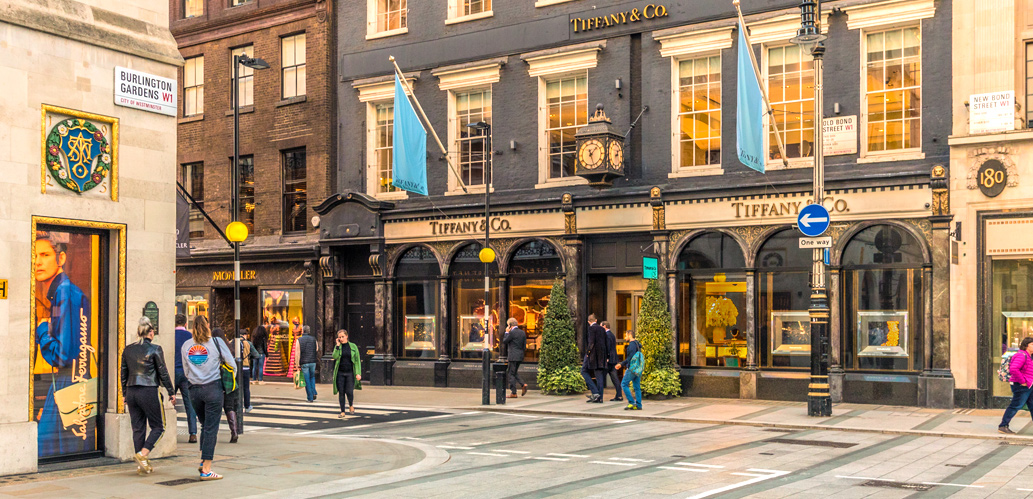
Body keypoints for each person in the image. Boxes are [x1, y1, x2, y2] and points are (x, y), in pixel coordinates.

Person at [33, 233, 94, 457]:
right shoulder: (62, 291)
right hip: (71, 379)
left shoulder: (64, 292)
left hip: (68, 379)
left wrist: (41, 330)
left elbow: (62, 355)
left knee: (48, 447)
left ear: (60, 258)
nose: (37, 261)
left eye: (45, 255)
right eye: (34, 255)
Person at [182, 316, 234, 480]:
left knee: (205, 425)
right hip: (213, 388)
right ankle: (206, 469)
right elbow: (231, 364)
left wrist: (194, 379)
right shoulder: (217, 342)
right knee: (211, 428)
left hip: (194, 390)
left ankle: (203, 460)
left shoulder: (186, 345)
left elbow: (186, 371)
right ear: (208, 325)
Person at [121, 316, 175, 474]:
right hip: (149, 389)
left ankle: (141, 465)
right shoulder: (155, 349)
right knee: (159, 426)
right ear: (150, 332)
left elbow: (123, 373)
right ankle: (142, 454)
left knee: (138, 428)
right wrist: (171, 392)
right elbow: (163, 372)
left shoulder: (128, 349)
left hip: (131, 391)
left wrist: (124, 393)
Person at [212, 328, 240, 443]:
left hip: (216, 380)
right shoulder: (228, 347)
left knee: (214, 408)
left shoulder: (213, 346)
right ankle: (234, 431)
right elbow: (233, 366)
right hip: (228, 382)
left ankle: (212, 432)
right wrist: (232, 377)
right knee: (229, 407)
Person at [173, 314, 198, 443]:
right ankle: (192, 433)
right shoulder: (190, 337)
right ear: (185, 324)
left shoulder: (170, 335)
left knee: (168, 402)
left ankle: (167, 432)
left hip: (172, 372)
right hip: (186, 373)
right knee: (189, 404)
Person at [1000, 336, 1033, 434]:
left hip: (1028, 385)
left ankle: (1003, 425)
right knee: (1015, 405)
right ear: (1026, 346)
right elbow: (1014, 369)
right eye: (1032, 344)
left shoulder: (1029, 356)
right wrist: (1023, 381)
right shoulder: (1021, 355)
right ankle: (1003, 425)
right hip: (1021, 385)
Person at [332, 329, 362, 417]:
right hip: (340, 373)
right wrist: (337, 346)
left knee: (349, 391)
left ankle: (351, 405)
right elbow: (334, 356)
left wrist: (358, 373)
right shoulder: (338, 347)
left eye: (342, 337)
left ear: (346, 336)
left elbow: (357, 361)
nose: (341, 339)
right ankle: (342, 411)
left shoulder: (353, 346)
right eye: (339, 337)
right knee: (341, 392)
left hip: (350, 372)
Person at [582, 314, 608, 403]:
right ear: (596, 320)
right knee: (599, 376)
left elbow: (591, 342)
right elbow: (606, 342)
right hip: (602, 356)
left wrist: (588, 352)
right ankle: (599, 398)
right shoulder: (602, 329)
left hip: (593, 355)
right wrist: (606, 356)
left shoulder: (591, 328)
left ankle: (595, 392)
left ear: (589, 322)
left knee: (583, 371)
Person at [502, 318, 528, 398]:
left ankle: (513, 393)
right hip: (520, 356)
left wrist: (506, 332)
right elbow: (524, 346)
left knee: (511, 374)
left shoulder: (511, 333)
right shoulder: (522, 333)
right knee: (514, 372)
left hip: (513, 356)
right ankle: (523, 384)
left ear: (510, 325)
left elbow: (505, 341)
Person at [619, 330, 643, 410]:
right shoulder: (637, 344)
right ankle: (638, 405)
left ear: (630, 335)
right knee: (637, 387)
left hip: (632, 368)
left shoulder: (632, 345)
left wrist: (621, 364)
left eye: (626, 335)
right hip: (637, 368)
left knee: (624, 384)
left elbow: (630, 358)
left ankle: (631, 402)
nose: (625, 337)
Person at [295, 325, 319, 402]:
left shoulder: (299, 340)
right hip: (312, 361)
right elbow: (317, 349)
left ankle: (310, 397)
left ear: (302, 331)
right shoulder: (314, 339)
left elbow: (297, 353)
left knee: (306, 380)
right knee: (312, 377)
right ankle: (314, 392)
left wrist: (297, 364)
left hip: (304, 362)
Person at [602, 321, 623, 402]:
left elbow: (607, 347)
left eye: (601, 326)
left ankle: (597, 394)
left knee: (601, 376)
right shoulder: (612, 334)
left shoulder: (607, 335)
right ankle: (619, 395)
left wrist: (607, 357)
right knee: (614, 378)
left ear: (604, 326)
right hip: (613, 359)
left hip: (609, 360)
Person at [238, 329, 253, 413]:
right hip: (245, 366)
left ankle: (236, 405)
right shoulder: (247, 343)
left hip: (236, 367)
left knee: (236, 387)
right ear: (244, 335)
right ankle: (247, 405)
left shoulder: (232, 342)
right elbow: (255, 354)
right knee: (246, 388)